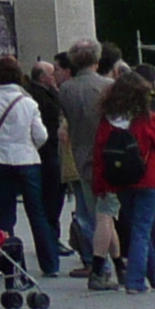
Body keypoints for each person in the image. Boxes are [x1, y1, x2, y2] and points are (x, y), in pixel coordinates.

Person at [84, 66, 155, 294]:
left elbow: (99, 154)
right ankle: (135, 281)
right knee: (142, 230)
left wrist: (100, 184)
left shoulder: (107, 120)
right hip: (150, 180)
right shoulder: (149, 119)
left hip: (120, 181)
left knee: (137, 230)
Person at [0, 55, 58, 275]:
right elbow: (41, 135)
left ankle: (3, 259)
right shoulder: (27, 102)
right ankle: (49, 264)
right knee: (36, 212)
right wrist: (28, 144)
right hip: (27, 158)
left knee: (6, 212)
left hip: (0, 158)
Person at [53, 41, 106, 264]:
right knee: (106, 212)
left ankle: (92, 258)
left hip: (81, 153)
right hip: (107, 152)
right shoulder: (108, 85)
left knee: (88, 209)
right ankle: (109, 257)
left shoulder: (66, 89)